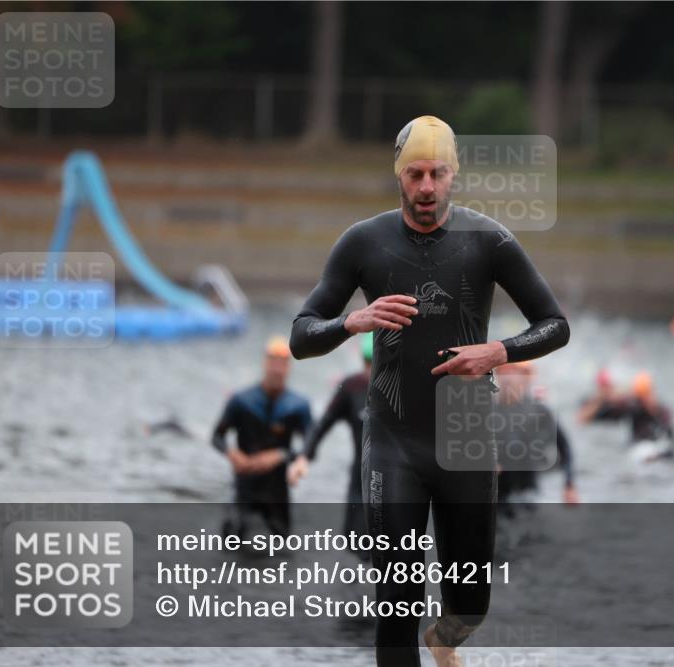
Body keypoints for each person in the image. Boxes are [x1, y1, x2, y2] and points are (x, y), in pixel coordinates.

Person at [289, 115, 570, 667]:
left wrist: (498, 352)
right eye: (415, 173)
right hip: (394, 442)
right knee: (396, 607)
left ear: (453, 175)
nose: (425, 187)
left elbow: (554, 324)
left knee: (469, 605)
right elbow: (301, 335)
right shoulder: (363, 242)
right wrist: (354, 321)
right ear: (398, 175)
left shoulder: (489, 240)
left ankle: (443, 642)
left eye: (437, 174)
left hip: (465, 437)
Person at [212, 336, 313, 537]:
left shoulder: (298, 406)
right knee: (232, 547)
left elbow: (310, 445)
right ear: (264, 363)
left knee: (282, 552)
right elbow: (217, 437)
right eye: (273, 362)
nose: (277, 369)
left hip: (276, 492)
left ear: (289, 367)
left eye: (282, 364)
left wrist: (282, 455)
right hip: (244, 485)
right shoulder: (241, 401)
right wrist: (232, 454)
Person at [288, 335, 372, 558]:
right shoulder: (352, 387)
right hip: (361, 480)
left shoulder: (406, 387)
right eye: (369, 364)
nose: (372, 373)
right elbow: (322, 424)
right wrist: (304, 456)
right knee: (356, 548)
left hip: (402, 483)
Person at [494, 361, 579, 509]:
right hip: (497, 492)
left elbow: (565, 449)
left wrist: (569, 485)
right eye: (502, 372)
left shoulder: (540, 411)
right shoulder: (486, 410)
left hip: (530, 491)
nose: (507, 377)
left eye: (512, 372)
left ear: (526, 378)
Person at [579, 370, 674, 461]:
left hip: (657, 449)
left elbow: (671, 437)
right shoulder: (633, 407)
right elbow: (586, 418)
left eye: (647, 394)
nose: (645, 399)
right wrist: (605, 399)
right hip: (638, 449)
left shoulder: (662, 410)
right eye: (642, 395)